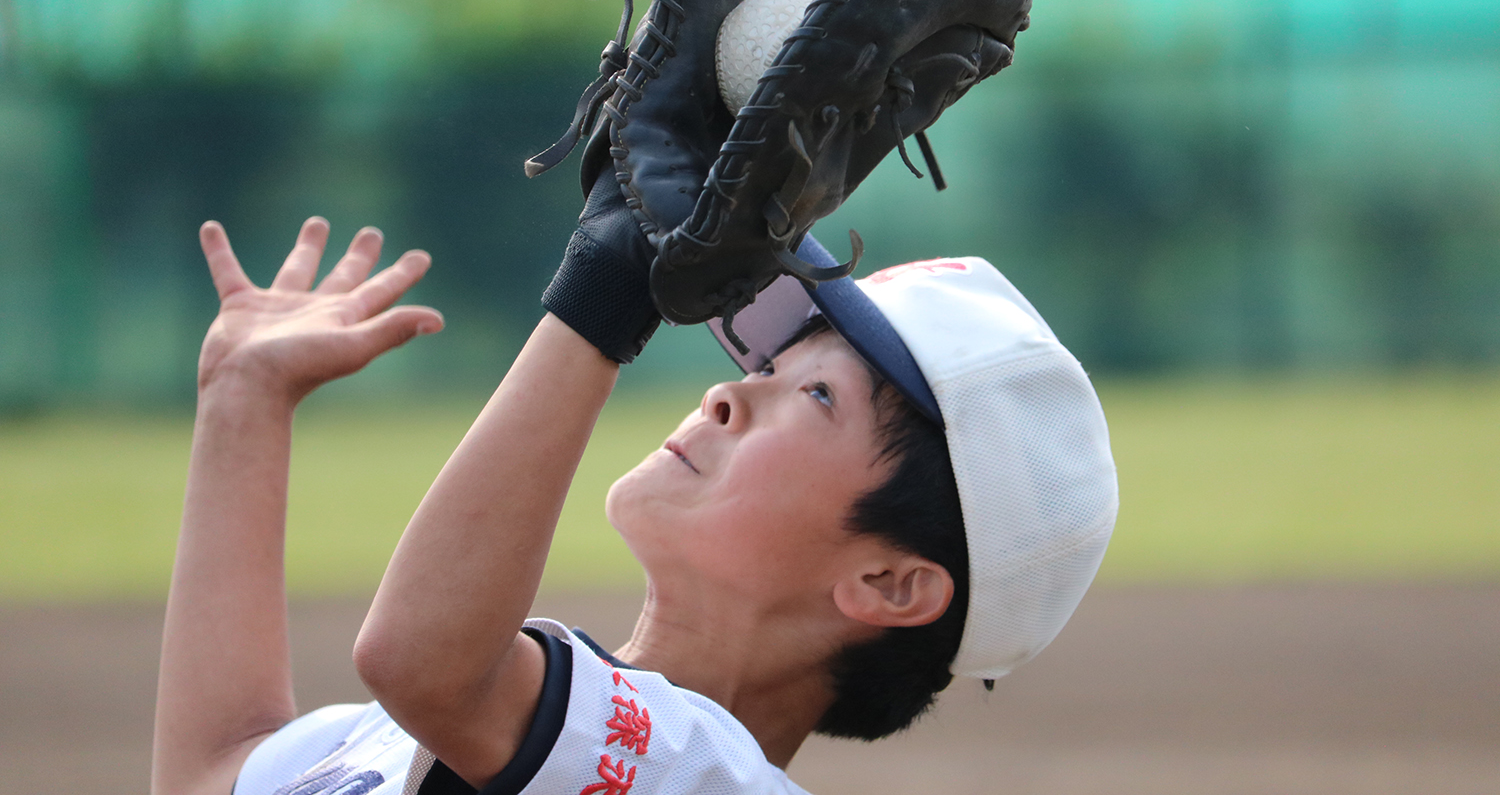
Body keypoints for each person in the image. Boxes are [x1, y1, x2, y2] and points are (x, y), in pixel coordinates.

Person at [151, 209, 1118, 795]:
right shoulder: (468, 725)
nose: (728, 393)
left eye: (820, 396)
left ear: (891, 582)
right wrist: (242, 400)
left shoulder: (713, 782)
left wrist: (604, 295)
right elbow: (219, 770)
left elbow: (422, 662)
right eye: (769, 368)